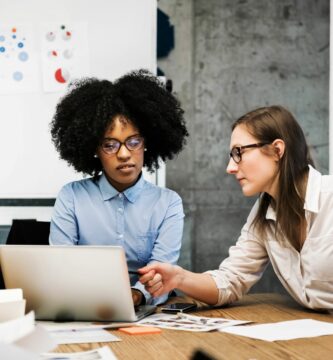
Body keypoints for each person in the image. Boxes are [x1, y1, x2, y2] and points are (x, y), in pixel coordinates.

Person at [139, 105, 333, 310]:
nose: (230, 167)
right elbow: (230, 281)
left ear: (277, 150)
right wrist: (179, 277)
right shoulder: (264, 214)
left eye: (238, 152)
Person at [49, 69, 188, 305]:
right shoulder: (71, 197)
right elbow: (60, 267)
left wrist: (135, 295)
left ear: (147, 144)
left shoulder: (168, 203)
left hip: (146, 309)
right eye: (110, 145)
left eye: (134, 142)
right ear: (94, 149)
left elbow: (162, 274)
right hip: (85, 305)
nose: (124, 154)